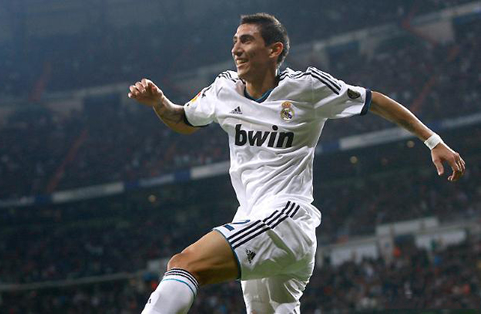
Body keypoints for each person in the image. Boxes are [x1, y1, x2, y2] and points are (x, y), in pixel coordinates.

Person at [128, 13, 466, 314]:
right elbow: (184, 120)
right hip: (252, 218)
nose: (236, 48)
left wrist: (433, 140)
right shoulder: (222, 89)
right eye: (234, 41)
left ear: (274, 50)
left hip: (286, 217)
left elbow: (374, 101)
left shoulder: (307, 87)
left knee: (184, 264)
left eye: (246, 40)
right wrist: (159, 102)